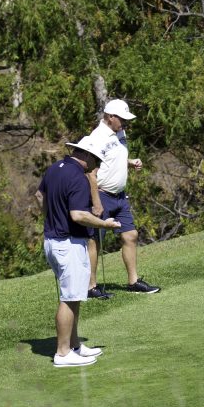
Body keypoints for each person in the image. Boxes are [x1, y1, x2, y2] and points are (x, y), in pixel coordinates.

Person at [39, 140, 122, 367]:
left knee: (74, 295)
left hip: (54, 241)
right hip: (68, 243)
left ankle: (74, 345)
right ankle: (63, 353)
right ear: (86, 155)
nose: (97, 165)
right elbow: (78, 215)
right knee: (69, 298)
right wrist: (105, 224)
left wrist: (51, 220)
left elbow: (40, 197)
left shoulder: (54, 169)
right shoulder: (77, 177)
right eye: (96, 160)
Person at [85, 98, 158, 296]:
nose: (125, 123)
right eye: (122, 119)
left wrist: (129, 162)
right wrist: (96, 202)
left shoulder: (120, 132)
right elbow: (90, 172)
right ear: (110, 117)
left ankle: (133, 282)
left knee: (130, 235)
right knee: (95, 241)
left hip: (120, 196)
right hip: (102, 195)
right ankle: (91, 287)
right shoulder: (97, 137)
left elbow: (113, 157)